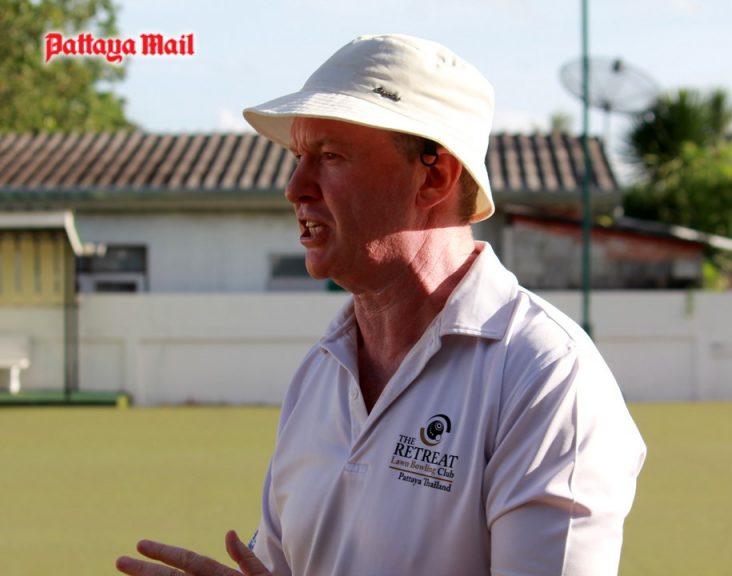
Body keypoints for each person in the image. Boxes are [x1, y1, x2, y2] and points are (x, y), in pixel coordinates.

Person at [117, 33, 646, 576]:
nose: (295, 187)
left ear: (434, 176)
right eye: (298, 157)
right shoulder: (320, 372)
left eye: (330, 156)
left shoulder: (546, 375)